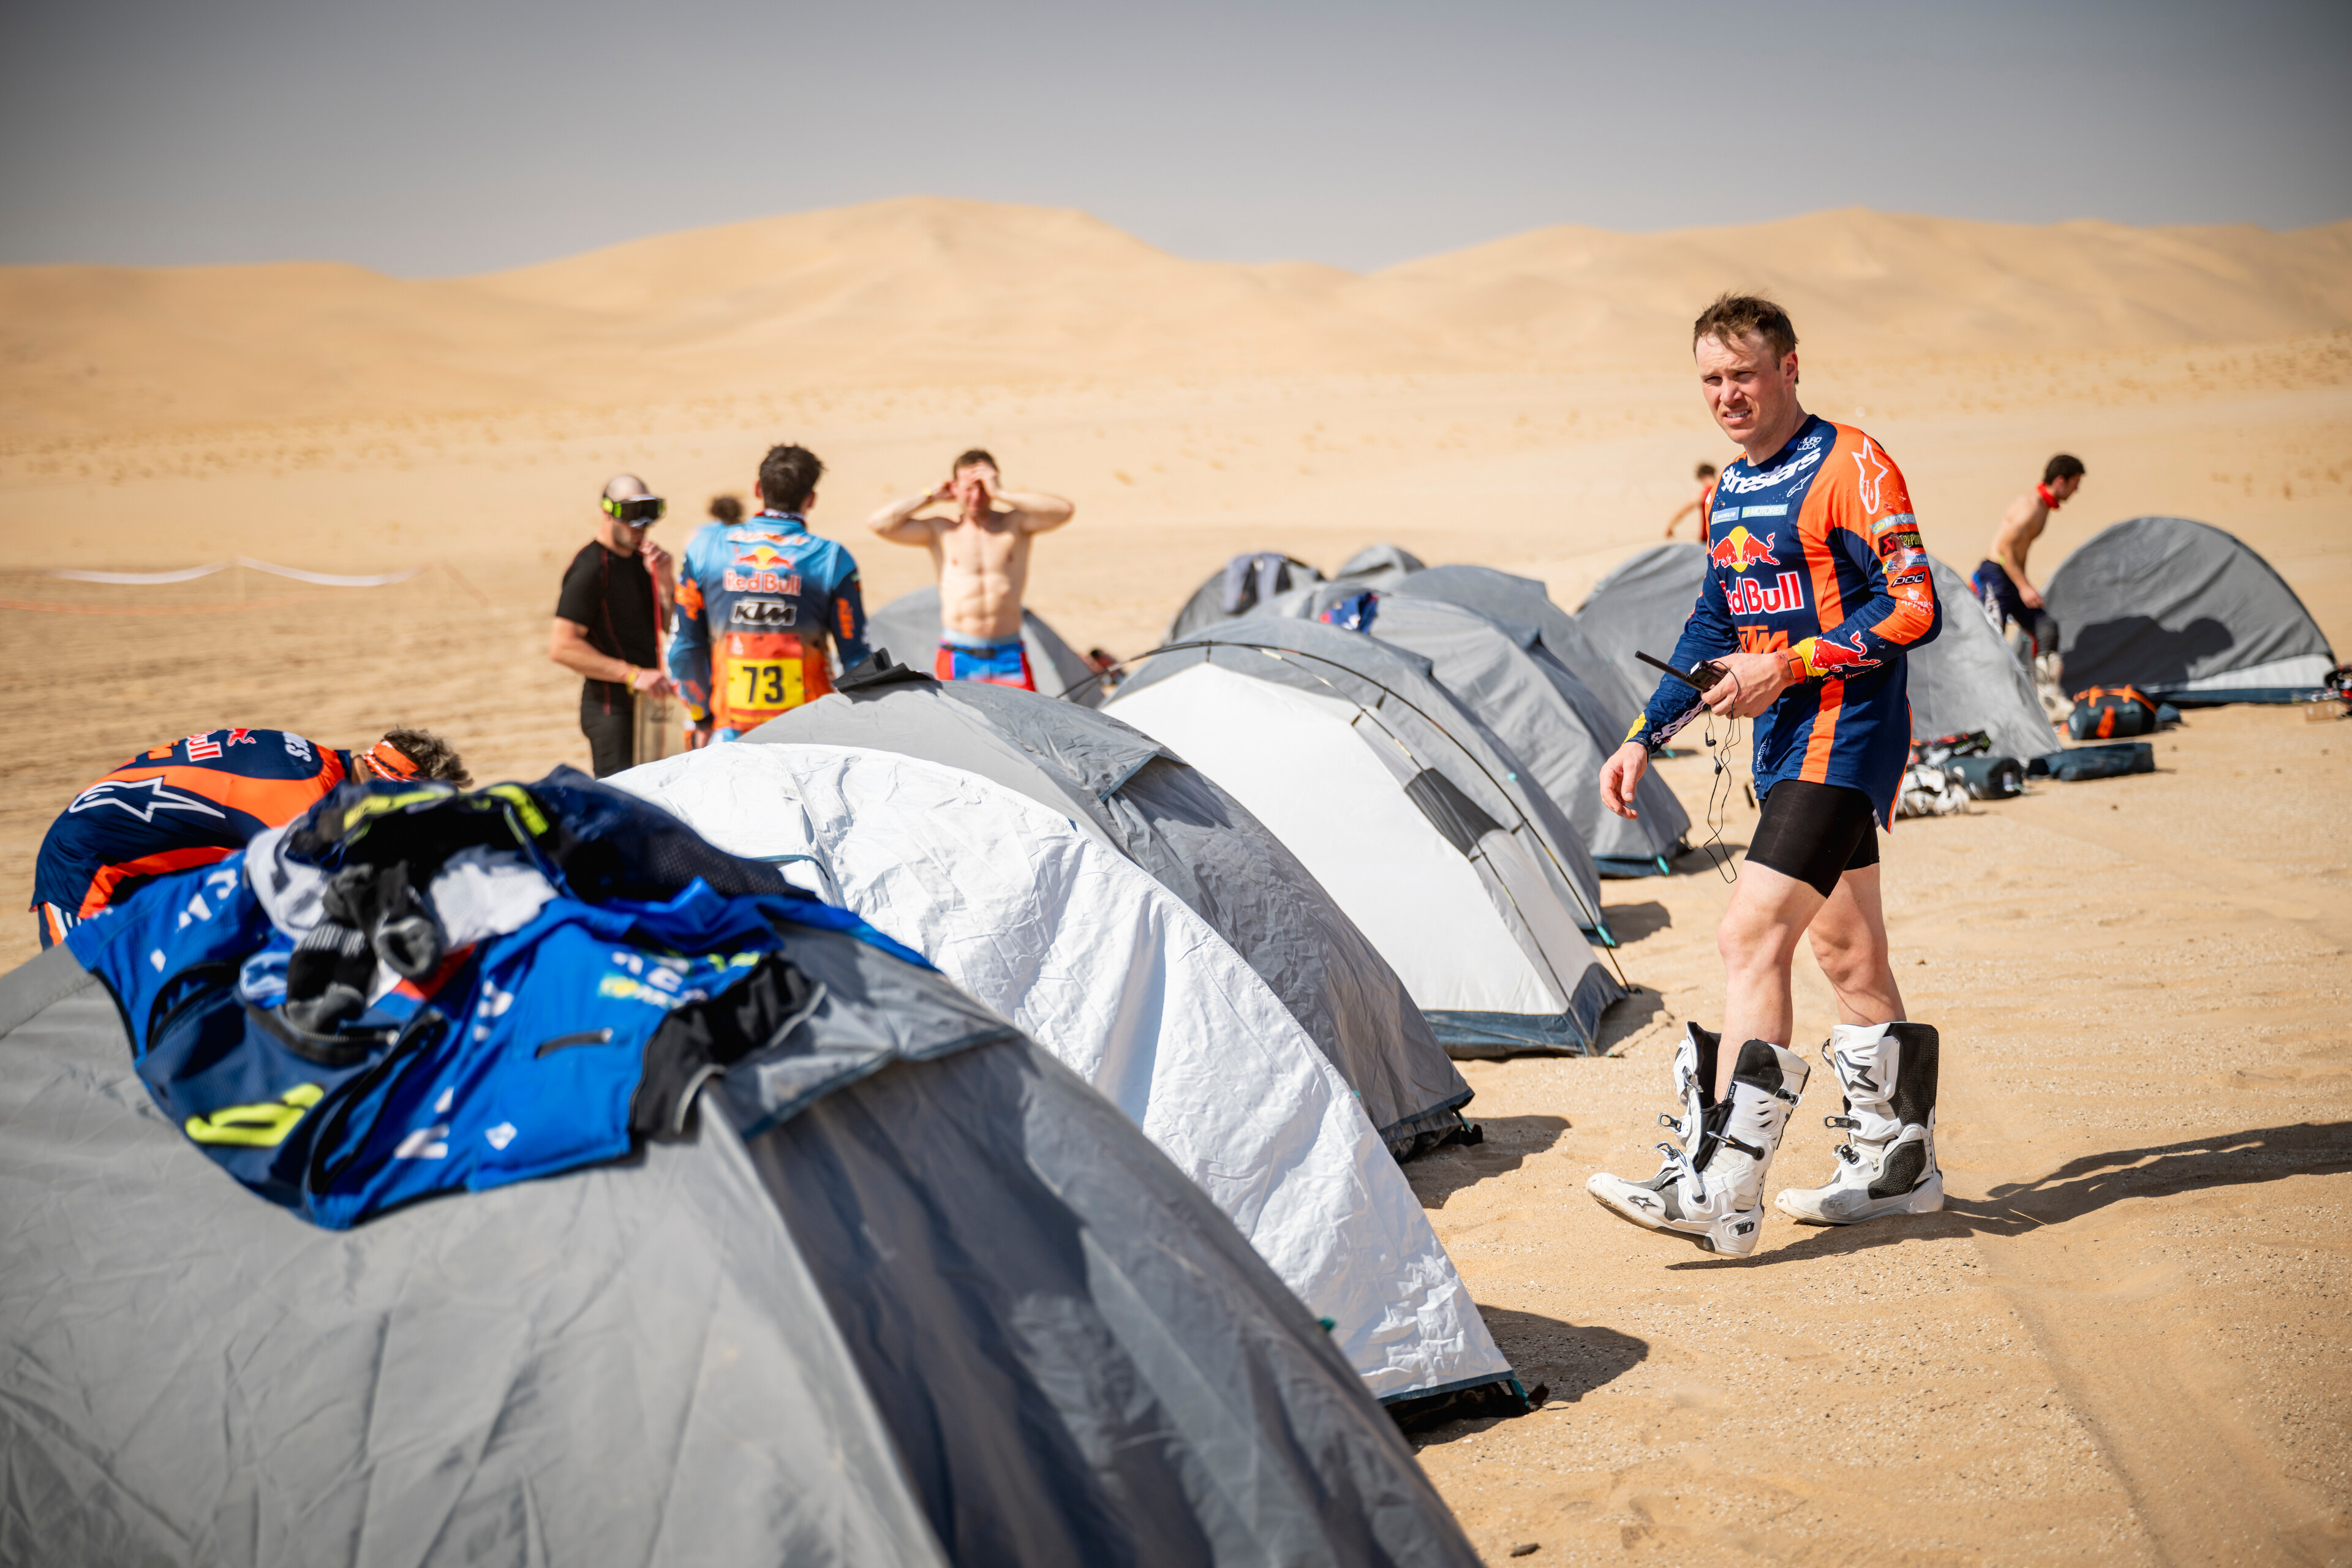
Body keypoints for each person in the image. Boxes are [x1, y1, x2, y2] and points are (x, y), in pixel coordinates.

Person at [1588, 293, 1945, 1257]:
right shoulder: (1731, 491)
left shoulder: (1854, 465)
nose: (1727, 396)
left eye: (1744, 374)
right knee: (1848, 955)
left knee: (1748, 937)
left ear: (1791, 367)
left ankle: (1722, 1189)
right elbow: (1713, 624)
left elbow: (1916, 609)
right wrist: (1641, 736)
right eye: (1711, 379)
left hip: (1848, 729)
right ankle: (1895, 1167)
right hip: (1781, 742)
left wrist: (1787, 664)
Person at [31, 725, 469, 947]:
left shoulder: (313, 762)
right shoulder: (302, 795)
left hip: (141, 867)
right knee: (84, 1005)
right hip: (88, 867)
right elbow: (312, 902)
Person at [668, 444, 868, 744]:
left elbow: (683, 649)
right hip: (811, 733)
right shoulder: (832, 558)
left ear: (758, 489)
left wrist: (701, 716)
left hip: (730, 733)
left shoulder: (704, 550)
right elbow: (855, 658)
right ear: (811, 499)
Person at [865, 450, 1075, 690]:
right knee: (958, 724)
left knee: (1020, 723)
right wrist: (929, 496)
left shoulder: (1015, 525)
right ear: (954, 488)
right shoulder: (941, 530)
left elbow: (1064, 511)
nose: (976, 497)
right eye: (968, 489)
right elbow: (878, 524)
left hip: (1009, 654)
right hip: (958, 655)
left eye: (983, 488)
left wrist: (1002, 493)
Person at [552, 475, 676, 778]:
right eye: (632, 515)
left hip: (649, 708)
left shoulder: (642, 562)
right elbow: (562, 647)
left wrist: (665, 581)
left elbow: (670, 627)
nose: (641, 525)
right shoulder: (591, 568)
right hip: (611, 711)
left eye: (649, 513)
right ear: (607, 512)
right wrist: (632, 675)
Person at [1972, 454, 2083, 659]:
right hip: (1995, 577)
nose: (2076, 491)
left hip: (2011, 577)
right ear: (2061, 481)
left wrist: (2023, 583)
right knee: (1991, 641)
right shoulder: (2031, 506)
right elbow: (2005, 548)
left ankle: (2044, 689)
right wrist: (2024, 587)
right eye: (2075, 484)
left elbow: (2018, 550)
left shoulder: (2043, 506)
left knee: (2047, 629)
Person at [1665, 461, 1721, 538]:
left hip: (1708, 541)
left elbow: (1681, 513)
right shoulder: (1725, 490)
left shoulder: (1703, 494)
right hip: (1724, 538)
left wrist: (1670, 527)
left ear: (1702, 477)